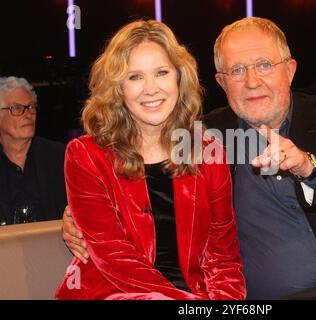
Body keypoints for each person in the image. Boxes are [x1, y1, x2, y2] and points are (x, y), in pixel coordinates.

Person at [63, 17, 316, 299]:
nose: (252, 81)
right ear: (222, 81)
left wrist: (308, 166)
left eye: (264, 66)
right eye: (237, 71)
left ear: (290, 71)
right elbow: (139, 186)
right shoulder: (206, 139)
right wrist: (77, 214)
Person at [55, 20, 245, 300]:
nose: (151, 88)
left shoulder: (209, 151)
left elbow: (224, 259)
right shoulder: (85, 156)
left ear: (179, 78)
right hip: (114, 292)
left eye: (161, 73)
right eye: (135, 77)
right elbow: (116, 261)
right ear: (117, 88)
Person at [0, 76, 66, 226]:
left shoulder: (61, 158)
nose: (28, 114)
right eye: (17, 108)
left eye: (31, 107)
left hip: (54, 246)